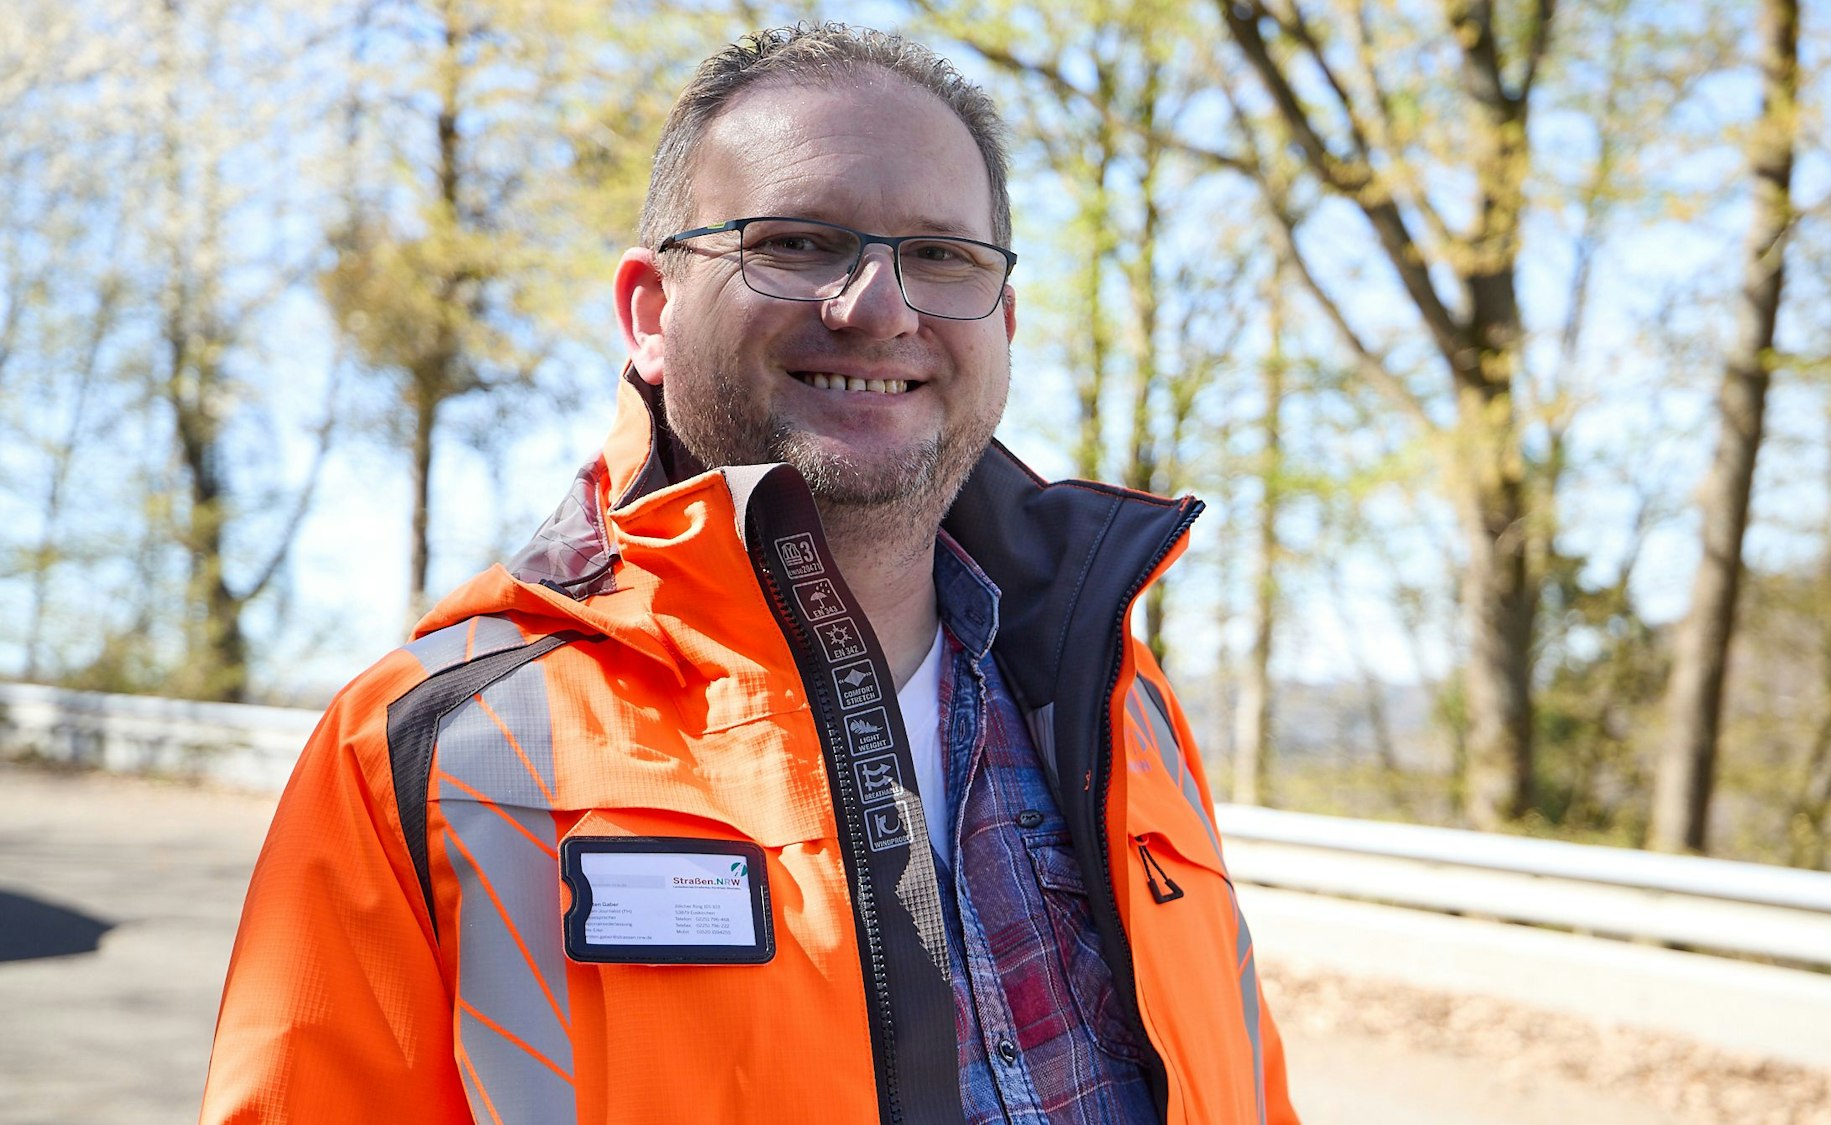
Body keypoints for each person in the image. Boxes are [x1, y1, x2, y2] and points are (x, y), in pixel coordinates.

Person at [202, 23, 1297, 1125]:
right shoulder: (436, 745)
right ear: (650, 313)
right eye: (800, 242)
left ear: (1003, 321)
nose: (879, 307)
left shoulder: (1117, 701)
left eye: (942, 256)